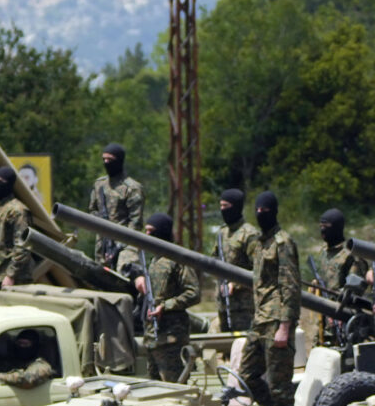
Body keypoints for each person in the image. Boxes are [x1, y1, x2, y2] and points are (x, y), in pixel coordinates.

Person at [242, 192, 303, 406]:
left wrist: (285, 326)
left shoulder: (282, 242)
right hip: (260, 319)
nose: (259, 214)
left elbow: (290, 285)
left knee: (279, 384)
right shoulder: (258, 242)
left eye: (264, 210)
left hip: (278, 321)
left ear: (273, 211)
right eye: (256, 209)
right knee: (247, 376)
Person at [140, 213, 198, 382]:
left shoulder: (177, 259)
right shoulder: (153, 261)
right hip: (152, 337)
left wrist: (165, 306)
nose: (147, 235)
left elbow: (193, 293)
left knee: (174, 386)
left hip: (171, 337)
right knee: (155, 388)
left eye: (151, 231)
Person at [89, 144, 146, 269]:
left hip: (125, 247)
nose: (106, 162)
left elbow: (135, 223)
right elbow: (92, 210)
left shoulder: (132, 188)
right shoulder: (100, 184)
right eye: (104, 159)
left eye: (110, 160)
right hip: (102, 244)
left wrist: (119, 245)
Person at [0, 167, 35, 293]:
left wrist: (11, 275)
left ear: (8, 184)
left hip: (14, 279)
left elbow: (23, 246)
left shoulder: (18, 211)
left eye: (0, 181)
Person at [209, 186, 253, 333]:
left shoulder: (249, 234)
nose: (222, 210)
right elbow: (214, 259)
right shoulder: (222, 233)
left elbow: (259, 270)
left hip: (244, 307)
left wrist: (236, 284)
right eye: (220, 206)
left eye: (226, 206)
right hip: (223, 304)